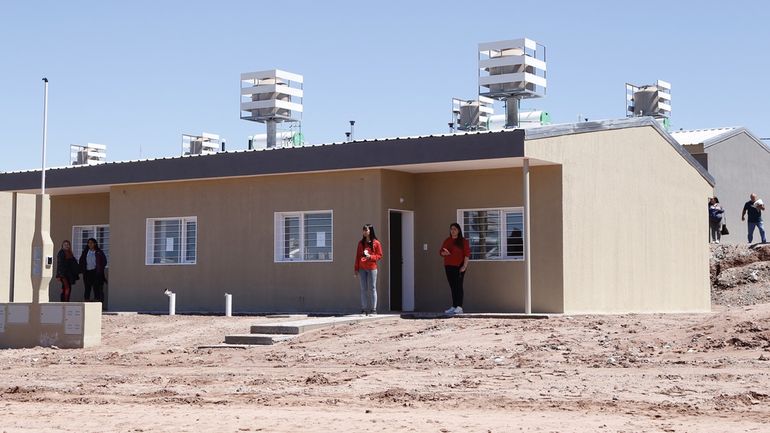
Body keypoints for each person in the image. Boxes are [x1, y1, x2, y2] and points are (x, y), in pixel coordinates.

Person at [439, 222, 470, 315]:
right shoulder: (447, 240)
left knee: (458, 286)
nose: (452, 231)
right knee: (452, 286)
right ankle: (454, 306)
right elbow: (441, 252)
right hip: (448, 266)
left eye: (455, 229)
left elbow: (467, 255)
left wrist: (464, 266)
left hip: (459, 266)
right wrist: (444, 253)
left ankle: (459, 307)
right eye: (451, 229)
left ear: (458, 230)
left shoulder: (463, 241)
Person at [353, 224, 382, 315]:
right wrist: (356, 269)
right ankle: (364, 309)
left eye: (366, 230)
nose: (364, 232)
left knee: (372, 288)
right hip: (362, 268)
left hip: (372, 268)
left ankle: (373, 309)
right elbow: (357, 256)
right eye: (364, 230)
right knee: (363, 289)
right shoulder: (360, 243)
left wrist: (371, 257)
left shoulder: (376, 243)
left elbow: (379, 255)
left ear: (370, 231)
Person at [79, 237, 107, 302]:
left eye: (91, 243)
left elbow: (104, 261)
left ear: (95, 244)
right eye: (89, 243)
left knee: (96, 287)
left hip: (95, 272)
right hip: (87, 272)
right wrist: (82, 269)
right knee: (87, 287)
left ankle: (97, 301)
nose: (90, 244)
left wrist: (100, 268)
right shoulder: (85, 252)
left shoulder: (99, 252)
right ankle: (86, 301)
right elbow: (81, 261)